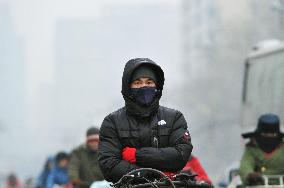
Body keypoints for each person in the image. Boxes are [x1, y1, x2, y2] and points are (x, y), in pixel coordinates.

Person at [98, 58, 193, 183]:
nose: (144, 86)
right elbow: (109, 165)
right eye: (137, 82)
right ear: (128, 87)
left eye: (149, 82)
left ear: (156, 86)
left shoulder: (174, 118)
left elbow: (181, 154)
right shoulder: (112, 122)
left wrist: (137, 156)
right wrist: (152, 176)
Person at [239, 113, 284, 186]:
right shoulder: (252, 149)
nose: (269, 138)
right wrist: (250, 176)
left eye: (272, 135)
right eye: (265, 135)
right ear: (258, 135)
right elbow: (246, 165)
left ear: (277, 136)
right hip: (257, 185)